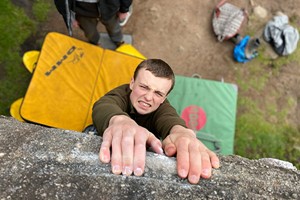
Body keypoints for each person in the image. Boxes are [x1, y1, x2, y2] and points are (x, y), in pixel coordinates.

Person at [92, 59, 220, 184]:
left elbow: (170, 119)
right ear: (132, 83)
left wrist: (182, 133)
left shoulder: (162, 107)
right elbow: (104, 105)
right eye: (143, 87)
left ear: (164, 98)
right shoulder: (120, 94)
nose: (148, 97)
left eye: (158, 94)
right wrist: (120, 121)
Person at [54, 0, 132, 47]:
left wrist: (124, 9)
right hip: (83, 11)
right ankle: (95, 43)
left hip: (109, 8)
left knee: (113, 27)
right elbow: (61, 2)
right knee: (89, 32)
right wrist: (70, 18)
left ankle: (118, 40)